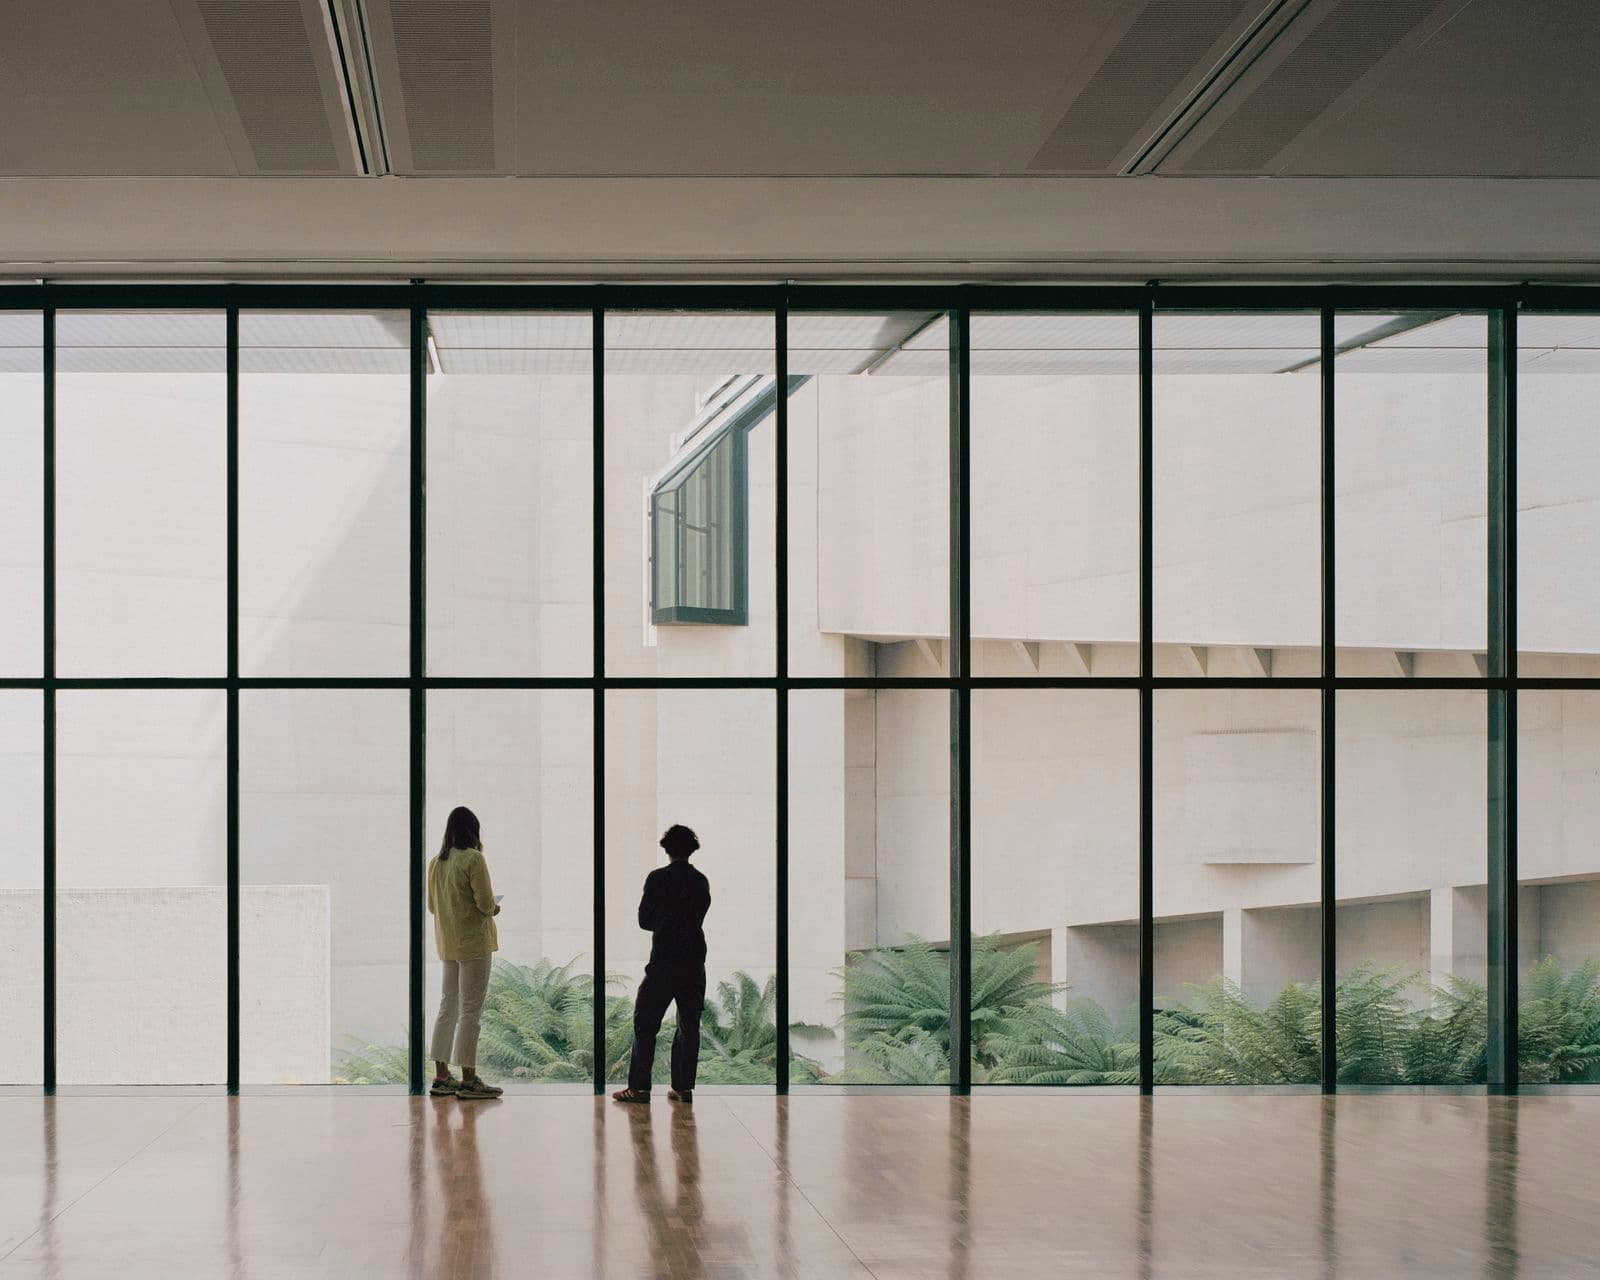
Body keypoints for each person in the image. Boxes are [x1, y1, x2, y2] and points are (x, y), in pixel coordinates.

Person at [612, 824, 711, 1104]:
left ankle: (639, 1088)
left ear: (666, 849)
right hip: (693, 960)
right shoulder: (700, 881)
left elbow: (644, 921)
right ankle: (683, 1087)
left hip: (664, 960)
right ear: (692, 849)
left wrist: (665, 921)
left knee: (646, 1023)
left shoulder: (657, 879)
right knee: (689, 1025)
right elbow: (699, 916)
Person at [426, 806, 503, 1100]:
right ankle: (469, 1079)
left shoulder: (436, 862)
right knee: (470, 1011)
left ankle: (442, 1076)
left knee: (448, 1007)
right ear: (473, 830)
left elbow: (433, 906)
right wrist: (494, 908)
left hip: (448, 944)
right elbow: (485, 903)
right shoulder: (473, 858)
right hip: (474, 944)